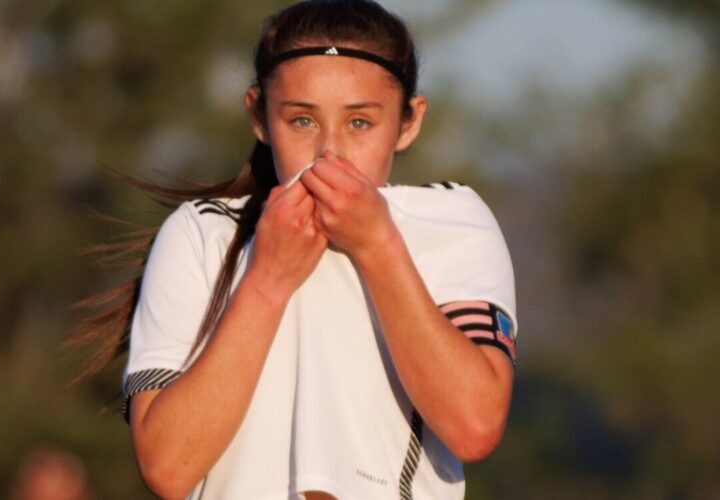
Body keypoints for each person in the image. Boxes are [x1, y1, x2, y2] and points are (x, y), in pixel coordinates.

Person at [74, 1, 517, 498]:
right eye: (302, 121)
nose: (330, 152)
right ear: (259, 117)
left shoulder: (450, 219)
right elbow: (168, 468)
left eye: (359, 123)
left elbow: (475, 426)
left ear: (408, 123)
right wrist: (266, 282)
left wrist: (377, 244)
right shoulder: (201, 234)